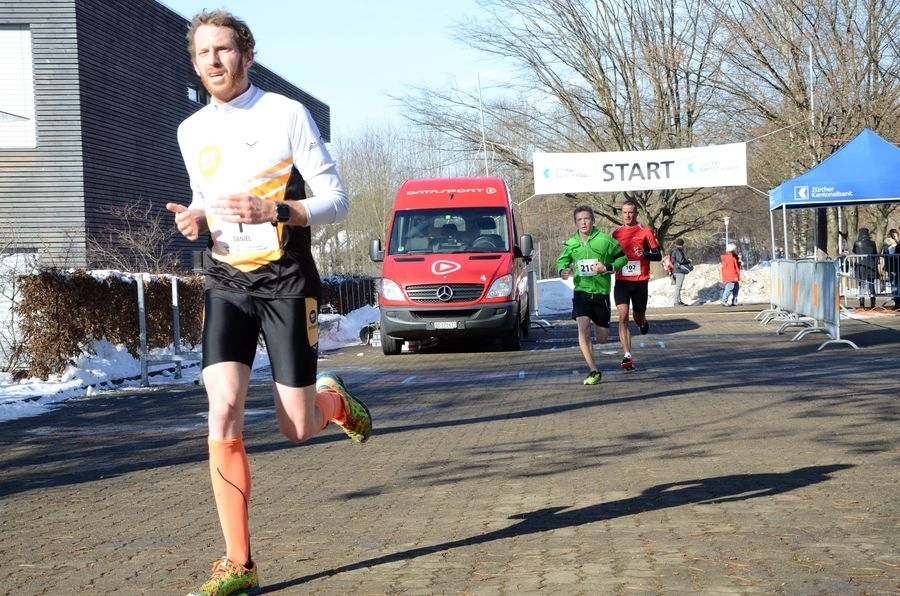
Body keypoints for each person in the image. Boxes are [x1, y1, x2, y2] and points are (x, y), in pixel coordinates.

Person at [165, 11, 372, 596]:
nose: (213, 61)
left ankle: (331, 402)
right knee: (222, 411)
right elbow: (206, 200)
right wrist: (193, 217)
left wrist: (277, 210)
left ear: (246, 56)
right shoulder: (190, 130)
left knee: (296, 428)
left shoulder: (284, 113)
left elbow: (337, 200)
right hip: (228, 282)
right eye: (203, 52)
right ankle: (239, 563)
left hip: (287, 283)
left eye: (224, 50)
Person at [556, 204, 628, 385]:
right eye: (579, 220)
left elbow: (623, 258)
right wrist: (563, 270)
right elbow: (562, 260)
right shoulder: (571, 243)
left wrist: (607, 267)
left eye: (586, 218)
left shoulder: (605, 240)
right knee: (583, 328)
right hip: (581, 292)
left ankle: (599, 326)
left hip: (601, 294)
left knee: (602, 338)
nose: (583, 222)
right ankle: (593, 370)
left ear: (593, 220)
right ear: (575, 223)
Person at [612, 200, 662, 371]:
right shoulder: (616, 234)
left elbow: (657, 255)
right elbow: (610, 255)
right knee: (623, 315)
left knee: (637, 317)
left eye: (631, 212)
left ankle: (642, 323)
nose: (628, 215)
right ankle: (627, 354)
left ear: (636, 213)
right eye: (625, 212)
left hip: (640, 281)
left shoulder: (645, 232)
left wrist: (645, 254)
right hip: (622, 281)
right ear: (621, 213)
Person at [852, 227, 878, 309]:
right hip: (871, 265)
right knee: (871, 284)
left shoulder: (857, 243)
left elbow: (854, 251)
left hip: (861, 265)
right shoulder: (872, 243)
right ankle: (873, 303)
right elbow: (875, 252)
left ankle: (862, 303)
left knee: (861, 284)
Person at [880, 228, 900, 309]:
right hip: (892, 268)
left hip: (896, 267)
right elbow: (886, 256)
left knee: (896, 285)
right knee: (894, 285)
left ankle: (898, 302)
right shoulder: (887, 247)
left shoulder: (898, 245)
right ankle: (897, 302)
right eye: (893, 236)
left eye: (895, 236)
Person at [668, 238, 691, 306]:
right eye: (682, 245)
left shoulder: (673, 250)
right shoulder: (677, 251)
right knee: (678, 286)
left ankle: (679, 301)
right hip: (679, 270)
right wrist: (688, 261)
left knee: (678, 286)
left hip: (675, 270)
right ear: (680, 245)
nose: (683, 246)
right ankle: (676, 302)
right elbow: (681, 261)